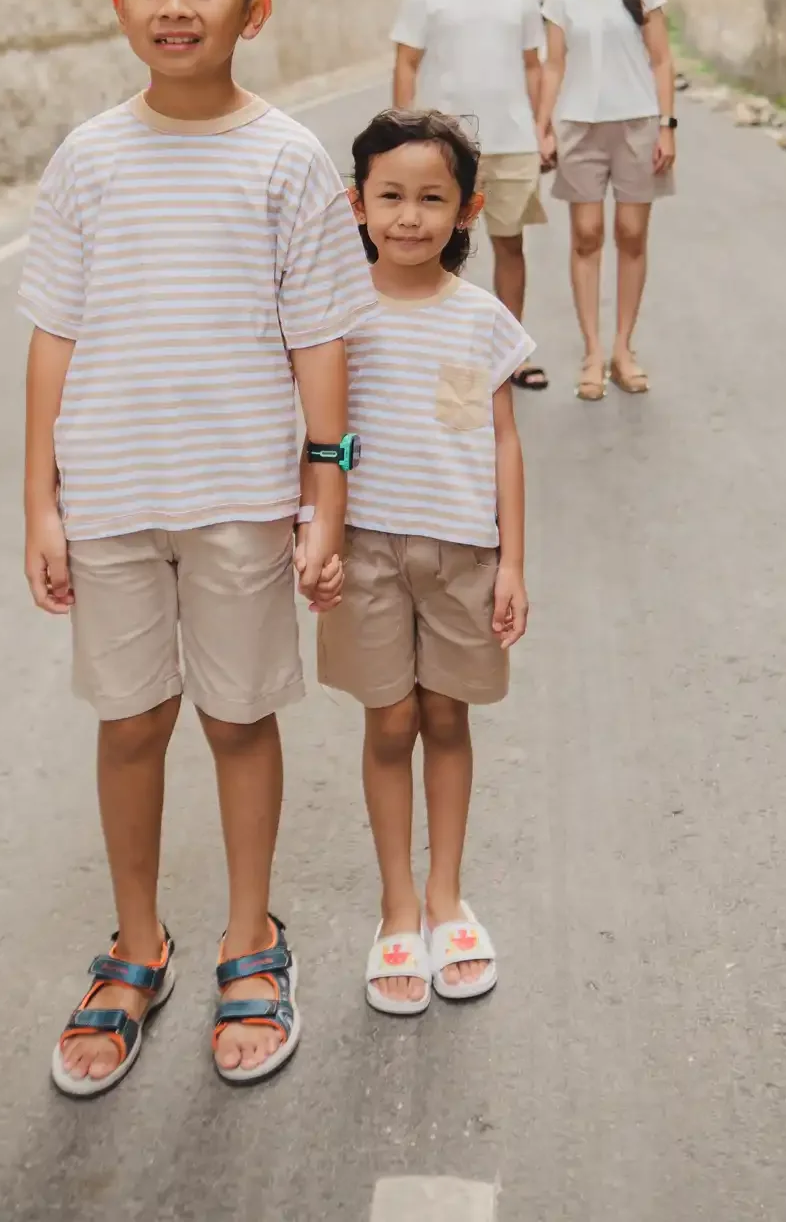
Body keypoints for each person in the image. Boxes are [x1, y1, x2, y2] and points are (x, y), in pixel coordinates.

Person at [19, 0, 377, 1097]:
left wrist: (324, 492)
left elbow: (322, 335)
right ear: (118, 5)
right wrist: (41, 501)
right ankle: (136, 947)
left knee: (236, 717)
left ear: (254, 9)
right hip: (113, 497)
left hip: (238, 498)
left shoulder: (286, 158)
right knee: (130, 723)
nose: (179, 5)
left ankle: (248, 936)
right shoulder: (87, 157)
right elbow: (54, 337)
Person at [311, 107, 531, 1014]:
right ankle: (397, 902)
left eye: (431, 198)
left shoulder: (481, 320)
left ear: (468, 209)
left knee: (447, 717)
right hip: (362, 551)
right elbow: (317, 437)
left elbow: (502, 443)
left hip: (460, 555)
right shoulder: (335, 316)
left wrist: (512, 562)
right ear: (355, 203)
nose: (409, 217)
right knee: (389, 723)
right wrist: (314, 529)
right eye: (390, 196)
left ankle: (446, 895)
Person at [391, 0, 551, 391]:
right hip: (446, 146)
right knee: (441, 252)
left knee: (510, 246)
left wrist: (541, 127)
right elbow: (406, 63)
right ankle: (443, 357)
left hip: (511, 142)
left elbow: (533, 65)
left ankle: (510, 358)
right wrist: (403, 137)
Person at [536, 0, 678, 401]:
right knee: (587, 234)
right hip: (577, 124)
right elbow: (553, 66)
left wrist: (667, 126)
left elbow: (661, 61)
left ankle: (623, 350)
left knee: (632, 234)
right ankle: (592, 352)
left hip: (638, 122)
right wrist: (543, 127)